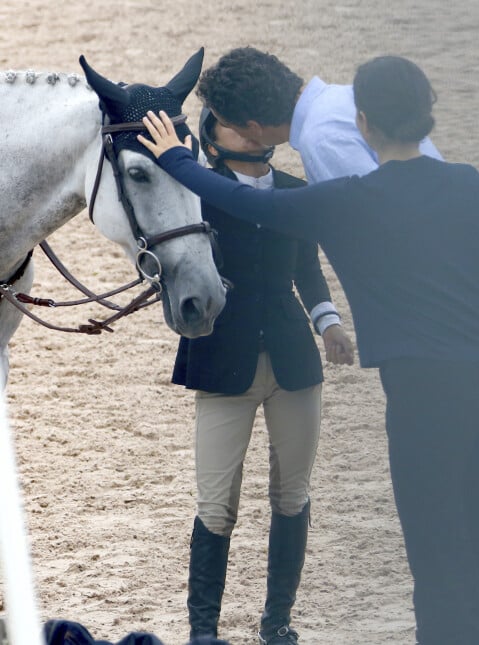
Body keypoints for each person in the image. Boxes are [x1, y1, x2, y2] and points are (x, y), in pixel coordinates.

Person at [138, 54, 479, 645]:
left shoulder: (349, 199)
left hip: (425, 390)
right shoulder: (467, 182)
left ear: (364, 123)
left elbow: (251, 204)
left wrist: (174, 155)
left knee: (438, 555)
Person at [170, 108, 353, 645]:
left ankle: (277, 623)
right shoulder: (198, 193)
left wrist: (330, 323)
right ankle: (203, 632)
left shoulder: (294, 191)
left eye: (254, 120)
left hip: (294, 362)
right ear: (211, 136)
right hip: (222, 362)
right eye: (232, 122)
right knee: (214, 503)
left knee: (292, 494)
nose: (248, 128)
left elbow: (308, 270)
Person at [194, 46, 443, 184]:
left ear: (254, 128)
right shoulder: (343, 96)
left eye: (231, 126)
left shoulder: (320, 138)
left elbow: (378, 216)